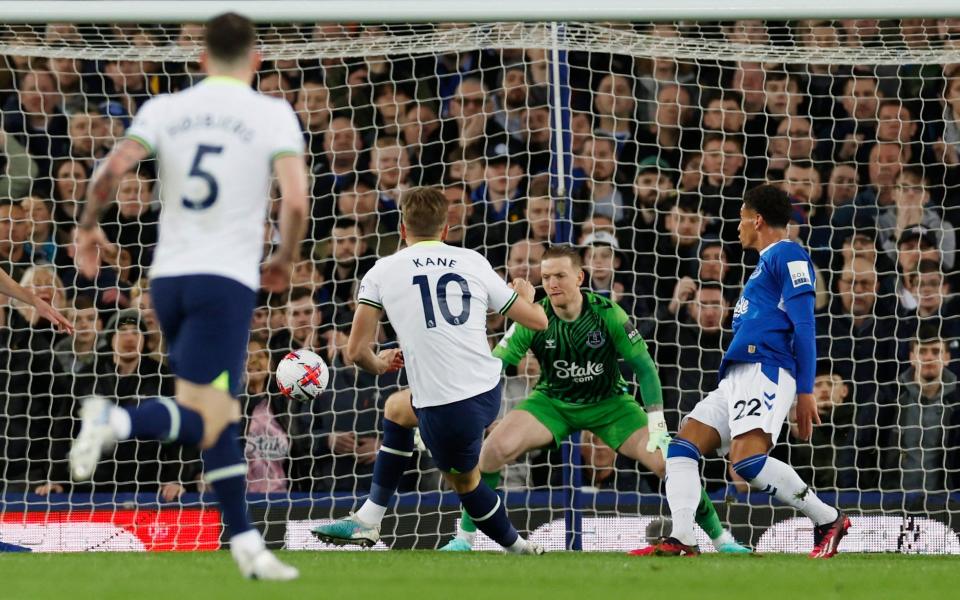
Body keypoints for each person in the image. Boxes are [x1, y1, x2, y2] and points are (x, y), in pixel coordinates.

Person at [69, 13, 307, 581]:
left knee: (219, 415)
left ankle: (246, 545)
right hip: (222, 283)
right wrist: (286, 258)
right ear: (256, 60)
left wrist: (84, 226)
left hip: (167, 281)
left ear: (200, 59)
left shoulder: (164, 108)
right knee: (211, 412)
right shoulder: (272, 112)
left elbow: (111, 172)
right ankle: (116, 422)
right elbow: (295, 202)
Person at [312, 187, 549, 554]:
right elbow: (537, 322)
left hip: (447, 403)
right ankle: (369, 519)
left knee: (466, 483)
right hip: (487, 389)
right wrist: (526, 295)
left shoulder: (382, 271)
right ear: (445, 229)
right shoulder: (472, 260)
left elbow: (356, 351)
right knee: (397, 409)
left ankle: (520, 548)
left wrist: (379, 363)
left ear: (402, 229)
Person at [635, 185, 849, 559]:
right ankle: (683, 538)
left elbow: (805, 326)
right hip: (737, 375)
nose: (738, 226)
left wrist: (805, 390)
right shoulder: (765, 262)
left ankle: (827, 518)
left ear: (758, 220)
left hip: (767, 369)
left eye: (741, 217)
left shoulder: (790, 256)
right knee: (683, 446)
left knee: (748, 462)